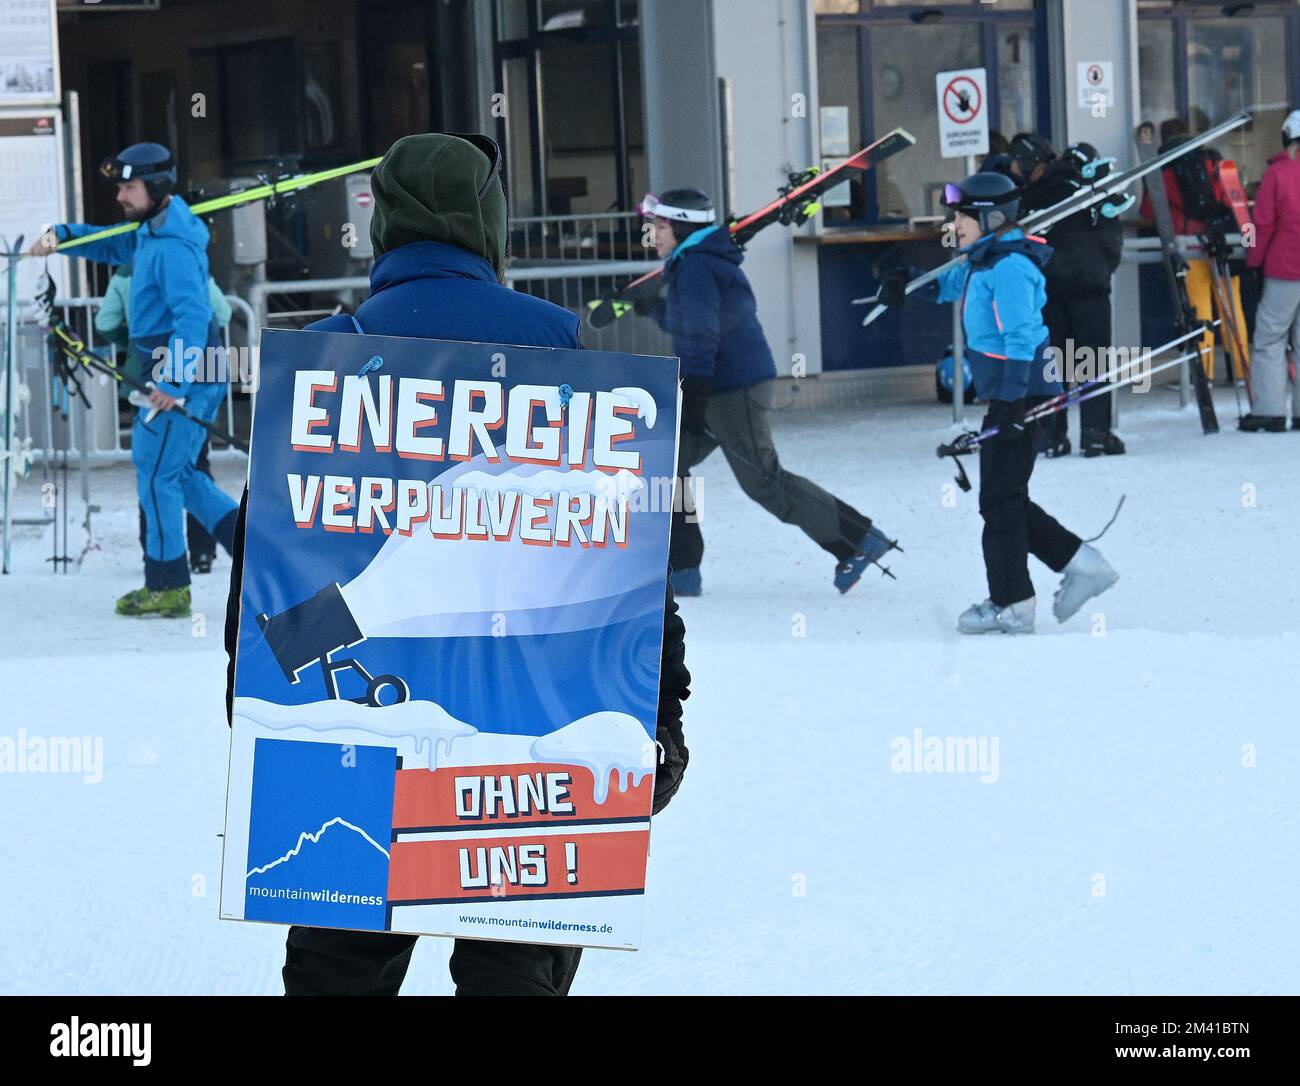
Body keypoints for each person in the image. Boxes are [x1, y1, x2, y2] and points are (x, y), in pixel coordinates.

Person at [222, 132, 692, 997]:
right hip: (543, 732)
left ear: (384, 227)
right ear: (490, 224)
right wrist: (662, 713)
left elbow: (271, 549)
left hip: (354, 739)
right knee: (517, 969)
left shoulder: (326, 354)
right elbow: (630, 568)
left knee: (341, 961)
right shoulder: (569, 352)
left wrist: (254, 690)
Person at [879, 172, 1118, 634]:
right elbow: (945, 286)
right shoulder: (981, 260)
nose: (955, 223)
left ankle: (1013, 603)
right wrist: (903, 282)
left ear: (991, 218)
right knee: (1005, 498)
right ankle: (1083, 564)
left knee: (1000, 502)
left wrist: (1010, 405)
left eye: (963, 216)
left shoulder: (1009, 267)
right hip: (1014, 393)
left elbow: (1022, 338)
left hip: (1024, 392)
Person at [640, 188, 897, 597]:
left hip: (730, 389)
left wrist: (695, 392)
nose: (651, 233)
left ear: (682, 227)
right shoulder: (696, 262)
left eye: (660, 226)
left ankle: (858, 539)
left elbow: (703, 335)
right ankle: (682, 569)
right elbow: (699, 321)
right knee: (667, 465)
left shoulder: (697, 267)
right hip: (720, 384)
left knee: (764, 481)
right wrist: (654, 310)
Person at [30, 142, 238, 616]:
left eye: (130, 187)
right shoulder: (148, 232)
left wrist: (173, 382)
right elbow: (109, 242)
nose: (121, 196)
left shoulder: (173, 250)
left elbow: (192, 316)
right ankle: (248, 548)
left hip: (182, 376)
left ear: (157, 187)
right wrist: (61, 236)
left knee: (156, 475)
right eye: (120, 186)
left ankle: (168, 586)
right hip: (173, 373)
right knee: (177, 474)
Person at [96, 262, 235, 572]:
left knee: (155, 469)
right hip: (198, 376)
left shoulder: (124, 273)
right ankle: (203, 551)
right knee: (191, 465)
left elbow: (105, 322)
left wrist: (135, 343)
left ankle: (157, 557)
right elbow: (222, 313)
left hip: (149, 381)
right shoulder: (193, 266)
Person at [1022, 141, 1126, 458]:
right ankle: (1095, 434)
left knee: (1055, 363)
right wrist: (1101, 270)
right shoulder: (1097, 191)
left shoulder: (1041, 188)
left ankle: (1051, 435)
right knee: (1093, 362)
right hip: (1091, 287)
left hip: (1051, 288)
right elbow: (1112, 240)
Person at [1138, 118, 1251, 386]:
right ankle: (1241, 371)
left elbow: (1148, 211)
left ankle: (1205, 375)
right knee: (1232, 308)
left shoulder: (1163, 168)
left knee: (1199, 309)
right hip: (1223, 242)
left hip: (1188, 244)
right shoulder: (1214, 160)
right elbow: (1237, 199)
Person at [1240, 109, 1300, 432]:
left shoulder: (1276, 175)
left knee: (1270, 339)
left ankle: (1270, 410)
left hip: (1284, 268)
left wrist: (1252, 260)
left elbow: (1257, 226)